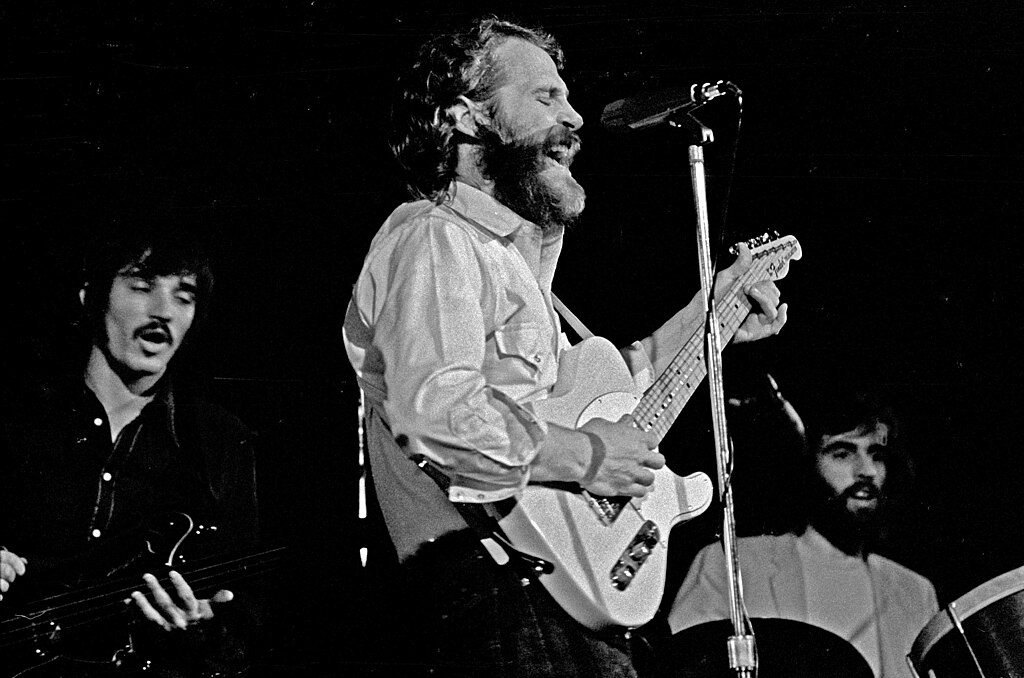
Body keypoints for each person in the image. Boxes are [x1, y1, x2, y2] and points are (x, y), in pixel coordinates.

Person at [343, 16, 788, 678]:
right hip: (498, 593)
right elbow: (436, 414)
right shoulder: (436, 237)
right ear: (468, 117)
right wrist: (588, 457)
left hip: (553, 595)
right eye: (546, 97)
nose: (575, 118)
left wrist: (714, 316)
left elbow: (619, 392)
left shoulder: (507, 265)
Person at [0, 224, 260, 677]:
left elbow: (246, 614)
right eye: (142, 287)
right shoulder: (17, 415)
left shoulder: (219, 441)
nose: (163, 311)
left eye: (184, 295)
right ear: (91, 297)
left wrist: (204, 625)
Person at [666, 387, 938, 677]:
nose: (867, 471)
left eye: (877, 455)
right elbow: (682, 666)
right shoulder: (730, 562)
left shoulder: (916, 593)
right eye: (843, 453)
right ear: (807, 464)